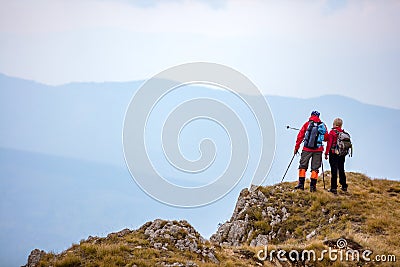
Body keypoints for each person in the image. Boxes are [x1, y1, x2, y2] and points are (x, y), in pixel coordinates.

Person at [294, 111, 327, 192]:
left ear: (311, 115)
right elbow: (326, 138)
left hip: (306, 149)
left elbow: (300, 136)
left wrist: (296, 147)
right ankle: (312, 187)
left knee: (303, 166)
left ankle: (301, 185)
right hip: (318, 150)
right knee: (315, 168)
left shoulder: (307, 124)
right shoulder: (322, 126)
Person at [325, 118, 347, 194]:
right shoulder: (343, 133)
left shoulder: (332, 132)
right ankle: (344, 186)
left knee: (334, 170)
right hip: (342, 154)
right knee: (341, 169)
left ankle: (333, 188)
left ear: (334, 124)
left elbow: (329, 144)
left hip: (333, 153)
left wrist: (326, 153)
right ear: (341, 125)